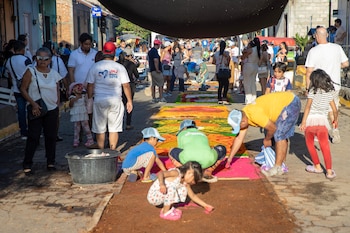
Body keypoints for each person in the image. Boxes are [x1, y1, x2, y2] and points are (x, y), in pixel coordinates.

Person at [227, 92, 301, 176]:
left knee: (279, 134)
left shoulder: (254, 115)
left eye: (239, 127)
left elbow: (273, 128)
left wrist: (267, 139)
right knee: (281, 133)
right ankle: (281, 162)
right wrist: (229, 159)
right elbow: (239, 138)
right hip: (286, 101)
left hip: (290, 103)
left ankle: (278, 167)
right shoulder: (244, 115)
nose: (240, 129)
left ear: (243, 122)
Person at [20, 47, 63, 174]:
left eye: (46, 59)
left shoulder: (54, 73)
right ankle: (27, 163)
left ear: (50, 60)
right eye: (39, 58)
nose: (42, 61)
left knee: (51, 136)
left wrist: (57, 104)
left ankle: (50, 162)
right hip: (36, 108)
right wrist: (33, 104)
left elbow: (57, 89)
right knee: (33, 136)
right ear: (36, 59)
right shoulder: (30, 71)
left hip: (51, 109)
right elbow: (23, 89)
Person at [305, 26, 349, 144]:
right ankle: (335, 131)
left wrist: (307, 87)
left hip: (319, 85)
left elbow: (309, 71)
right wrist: (335, 66)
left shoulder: (313, 51)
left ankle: (318, 134)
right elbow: (346, 63)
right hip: (335, 85)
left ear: (317, 36)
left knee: (319, 110)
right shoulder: (337, 48)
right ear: (327, 35)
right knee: (333, 109)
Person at [86, 42, 133, 150]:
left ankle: (101, 151)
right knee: (114, 128)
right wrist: (129, 101)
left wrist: (89, 99)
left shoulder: (95, 66)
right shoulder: (119, 67)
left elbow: (90, 85)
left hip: (99, 99)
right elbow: (126, 85)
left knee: (100, 128)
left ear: (103, 52)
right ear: (114, 52)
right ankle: (112, 151)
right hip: (116, 100)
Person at [299, 69, 338, 180]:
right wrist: (335, 120)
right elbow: (335, 110)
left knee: (310, 144)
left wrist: (303, 122)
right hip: (322, 122)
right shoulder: (329, 92)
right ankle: (329, 171)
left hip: (310, 121)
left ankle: (317, 166)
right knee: (325, 146)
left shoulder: (312, 91)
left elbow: (308, 107)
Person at [147, 161, 214, 221]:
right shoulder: (176, 173)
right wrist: (162, 184)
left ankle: (167, 207)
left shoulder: (185, 182)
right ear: (190, 173)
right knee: (171, 189)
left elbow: (192, 196)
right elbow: (161, 173)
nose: (193, 183)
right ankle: (165, 212)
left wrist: (205, 205)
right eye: (193, 180)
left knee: (181, 188)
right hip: (154, 196)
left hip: (162, 196)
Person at [5, 40, 32, 139]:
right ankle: (33, 130)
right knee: (31, 109)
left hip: (17, 89)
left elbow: (9, 77)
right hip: (28, 89)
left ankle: (23, 132)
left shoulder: (8, 61)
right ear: (22, 49)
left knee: (21, 111)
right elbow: (31, 73)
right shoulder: (25, 60)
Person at [118, 47, 139, 130]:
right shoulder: (131, 64)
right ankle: (128, 124)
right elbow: (137, 75)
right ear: (129, 56)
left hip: (118, 86)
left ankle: (118, 123)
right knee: (129, 104)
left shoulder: (117, 63)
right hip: (129, 85)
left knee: (119, 105)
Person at [68, 82, 94, 147]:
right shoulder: (72, 97)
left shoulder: (83, 96)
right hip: (76, 114)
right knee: (77, 128)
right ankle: (76, 140)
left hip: (83, 112)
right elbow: (70, 105)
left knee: (86, 127)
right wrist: (75, 98)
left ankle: (90, 139)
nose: (79, 89)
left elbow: (87, 102)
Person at [242, 37, 260, 105]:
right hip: (255, 66)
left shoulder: (251, 50)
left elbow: (243, 56)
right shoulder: (258, 50)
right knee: (253, 82)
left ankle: (248, 99)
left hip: (249, 65)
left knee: (247, 83)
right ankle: (253, 98)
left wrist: (244, 51)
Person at [212, 40, 231, 105]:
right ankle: (224, 98)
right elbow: (228, 61)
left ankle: (219, 99)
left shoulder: (216, 53)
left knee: (220, 85)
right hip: (225, 70)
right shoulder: (227, 53)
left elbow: (213, 62)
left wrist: (218, 62)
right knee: (226, 85)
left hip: (218, 71)